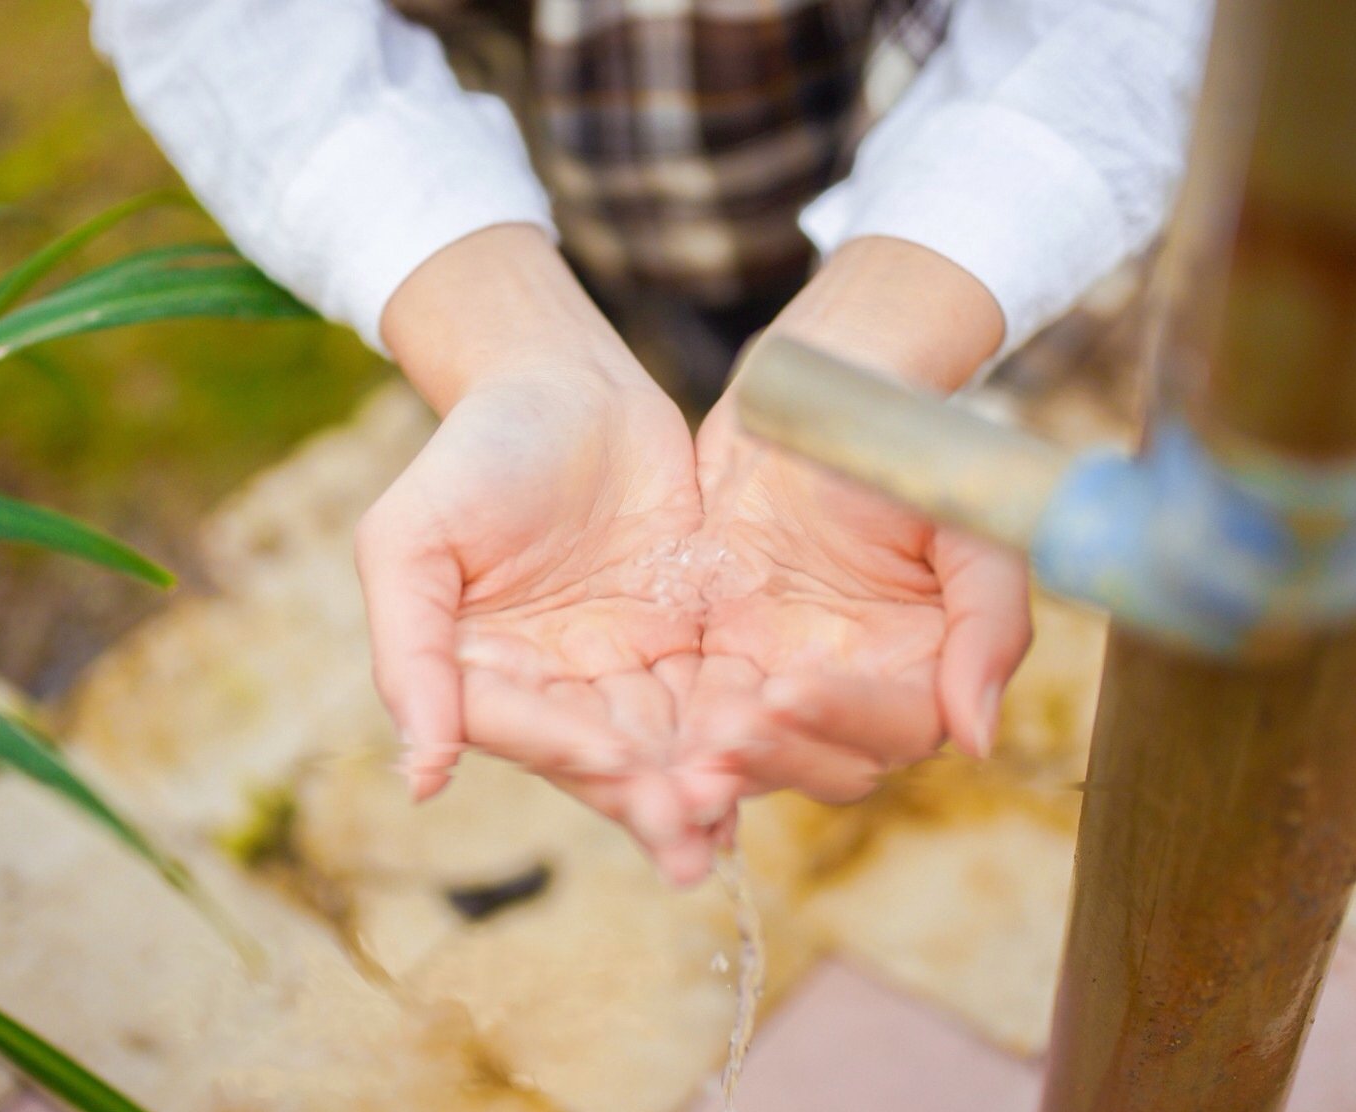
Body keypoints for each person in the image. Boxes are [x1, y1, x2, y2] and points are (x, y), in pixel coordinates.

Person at [90, 0, 1210, 884]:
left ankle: (849, 352)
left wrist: (877, 345)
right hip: (551, 196)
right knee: (650, 343)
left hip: (895, 147)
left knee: (938, 345)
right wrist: (519, 345)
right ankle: (646, 348)